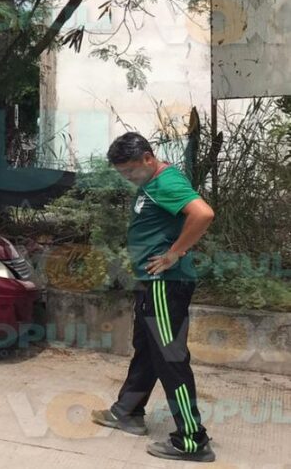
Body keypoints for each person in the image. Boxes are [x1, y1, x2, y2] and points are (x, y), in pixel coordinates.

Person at [91, 132, 216, 463]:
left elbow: (203, 214)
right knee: (148, 350)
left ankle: (191, 439)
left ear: (148, 158)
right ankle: (127, 411)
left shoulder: (166, 182)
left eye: (130, 170)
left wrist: (174, 254)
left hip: (165, 283)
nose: (127, 177)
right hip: (153, 283)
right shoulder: (152, 184)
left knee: (170, 358)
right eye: (122, 173)